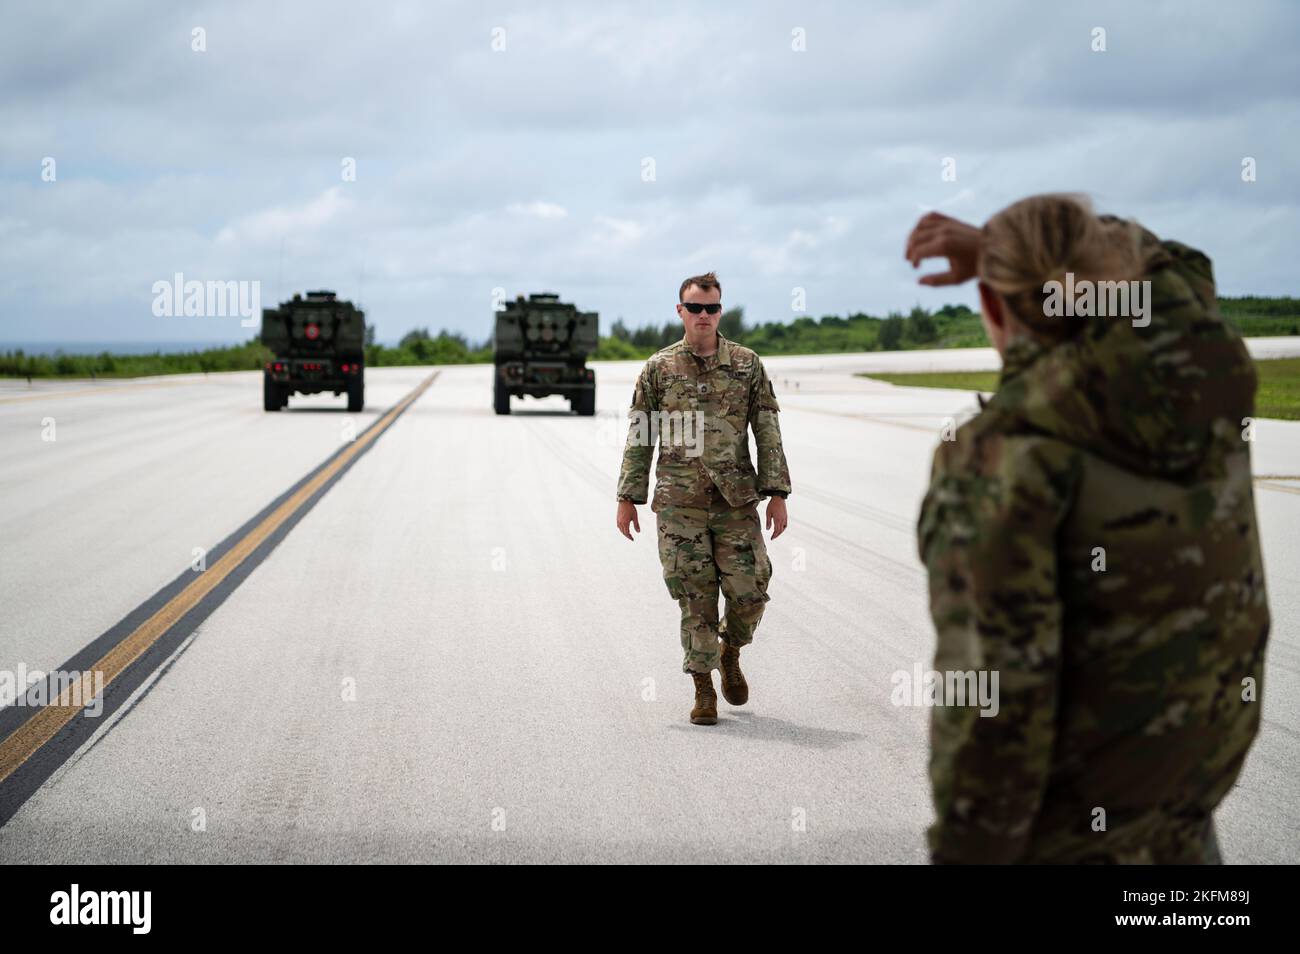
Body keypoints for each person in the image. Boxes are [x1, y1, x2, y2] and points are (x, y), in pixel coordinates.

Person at [906, 195, 1270, 863]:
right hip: (1181, 816)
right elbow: (1174, 269)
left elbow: (992, 703)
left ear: (992, 305)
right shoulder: (1205, 386)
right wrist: (999, 244)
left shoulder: (1003, 457)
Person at [616, 272, 791, 725]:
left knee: (750, 591)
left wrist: (777, 493)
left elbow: (767, 429)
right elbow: (640, 434)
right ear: (680, 311)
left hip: (735, 501)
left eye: (711, 308)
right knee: (694, 598)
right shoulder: (659, 368)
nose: (703, 316)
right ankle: (703, 688)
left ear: (721, 311)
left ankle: (730, 650)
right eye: (695, 308)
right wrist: (627, 497)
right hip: (679, 503)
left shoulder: (747, 365)